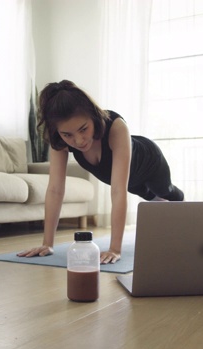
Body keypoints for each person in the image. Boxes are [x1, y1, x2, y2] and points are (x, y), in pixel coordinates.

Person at [17, 80, 184, 264]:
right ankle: (158, 202)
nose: (79, 141)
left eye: (83, 129)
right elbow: (55, 189)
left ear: (92, 115)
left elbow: (117, 191)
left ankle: (184, 205)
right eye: (68, 135)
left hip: (149, 161)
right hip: (128, 180)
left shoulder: (116, 126)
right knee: (149, 197)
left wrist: (115, 249)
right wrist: (47, 243)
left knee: (165, 192)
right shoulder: (59, 140)